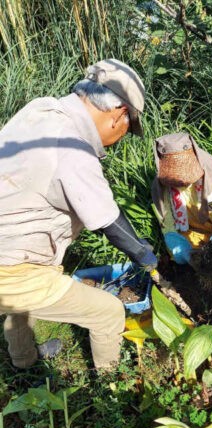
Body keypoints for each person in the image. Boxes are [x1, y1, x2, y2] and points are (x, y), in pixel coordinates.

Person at [0, 58, 157, 371]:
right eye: (129, 129)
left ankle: (23, 362)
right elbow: (107, 220)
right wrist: (144, 255)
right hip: (12, 269)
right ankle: (113, 389)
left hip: (6, 249)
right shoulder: (73, 147)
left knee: (18, 305)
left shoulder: (40, 110)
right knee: (108, 311)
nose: (123, 137)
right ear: (120, 114)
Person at [151, 131, 212, 264]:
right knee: (186, 254)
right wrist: (182, 250)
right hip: (187, 231)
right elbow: (168, 223)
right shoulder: (163, 185)